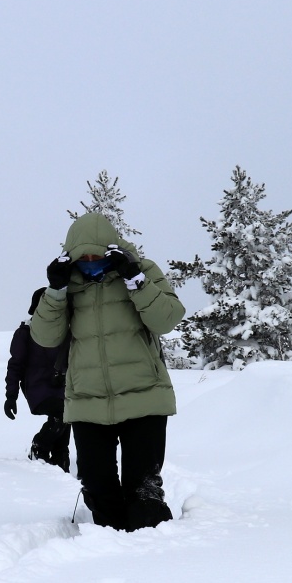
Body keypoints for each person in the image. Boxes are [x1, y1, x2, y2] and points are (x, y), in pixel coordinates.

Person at [31, 213, 185, 530]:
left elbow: (168, 319)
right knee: (99, 495)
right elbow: (45, 337)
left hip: (144, 399)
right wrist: (56, 291)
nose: (89, 262)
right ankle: (110, 562)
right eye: (82, 257)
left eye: (96, 255)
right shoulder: (67, 285)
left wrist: (136, 281)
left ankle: (160, 562)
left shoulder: (142, 271)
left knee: (144, 498)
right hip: (87, 403)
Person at [5, 287, 71, 472]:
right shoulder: (25, 332)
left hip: (62, 387)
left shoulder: (65, 331)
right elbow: (15, 364)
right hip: (37, 388)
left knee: (67, 418)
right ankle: (39, 447)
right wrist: (11, 396)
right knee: (64, 413)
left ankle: (60, 464)